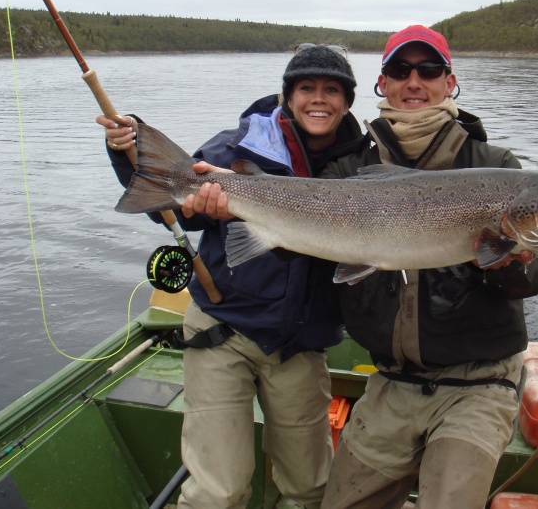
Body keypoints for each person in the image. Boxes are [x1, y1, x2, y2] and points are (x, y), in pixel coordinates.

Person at [98, 44, 364, 509]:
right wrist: (129, 156)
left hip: (300, 345)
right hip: (223, 331)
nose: (318, 99)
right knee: (217, 492)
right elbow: (168, 201)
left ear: (347, 102)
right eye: (306, 88)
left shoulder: (361, 163)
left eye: (332, 90)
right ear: (287, 96)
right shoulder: (236, 148)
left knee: (312, 485)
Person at [317, 25, 538, 509]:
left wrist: (508, 262)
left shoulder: (495, 165)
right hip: (391, 380)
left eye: (429, 70)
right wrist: (229, 192)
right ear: (382, 82)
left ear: (450, 81)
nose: (414, 82)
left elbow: (534, 278)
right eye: (401, 70)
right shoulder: (348, 167)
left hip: (479, 383)